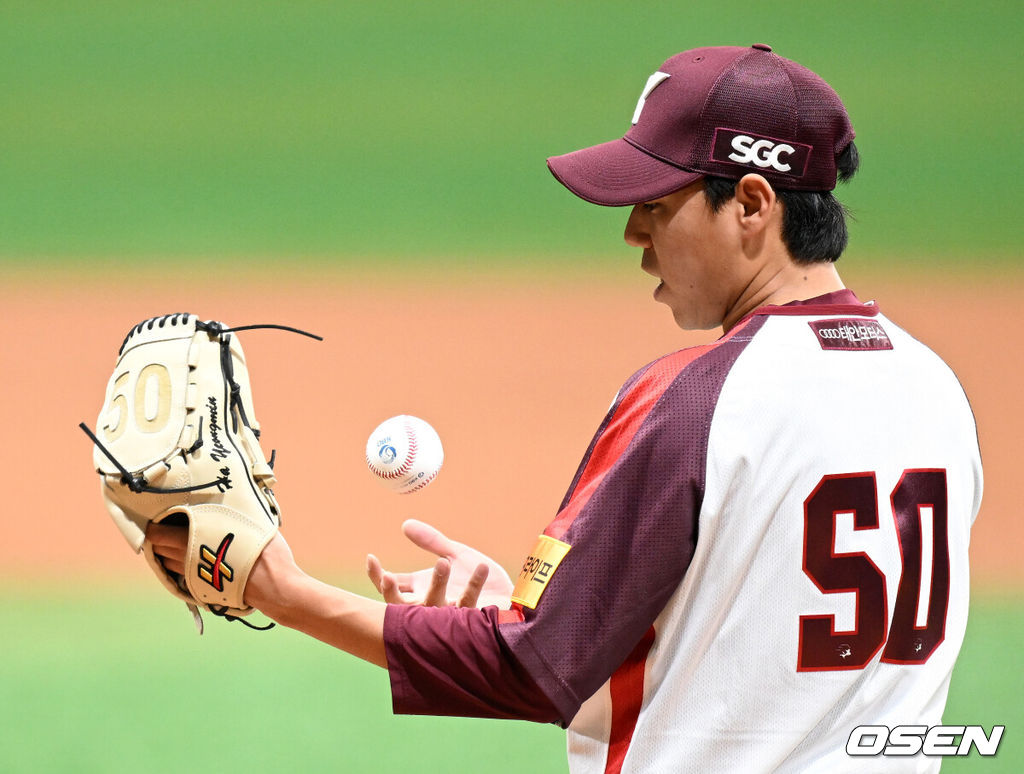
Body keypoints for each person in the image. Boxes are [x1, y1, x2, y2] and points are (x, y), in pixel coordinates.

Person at [149, 44, 983, 772]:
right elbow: (763, 648)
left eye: (656, 205)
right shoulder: (935, 388)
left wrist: (281, 591)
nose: (632, 234)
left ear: (755, 206)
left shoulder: (699, 397)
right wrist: (549, 609)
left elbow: (534, 669)